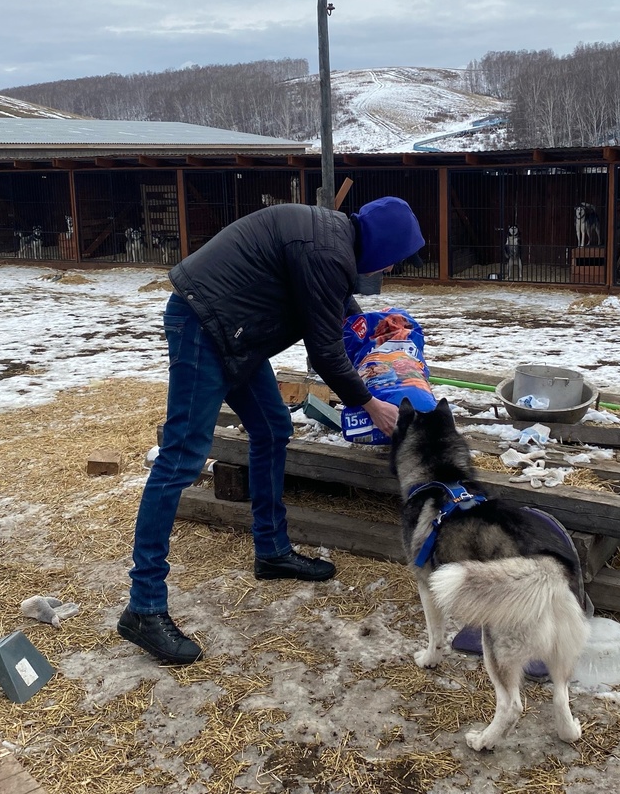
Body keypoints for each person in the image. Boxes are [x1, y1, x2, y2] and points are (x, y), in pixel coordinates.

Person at [119, 196, 425, 664]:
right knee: (181, 457)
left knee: (272, 428)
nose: (390, 268)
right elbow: (325, 352)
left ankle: (272, 550)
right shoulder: (328, 251)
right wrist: (369, 403)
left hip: (236, 330)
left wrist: (377, 341)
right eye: (394, 258)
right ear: (383, 245)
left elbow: (339, 313)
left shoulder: (334, 243)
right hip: (204, 324)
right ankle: (143, 606)